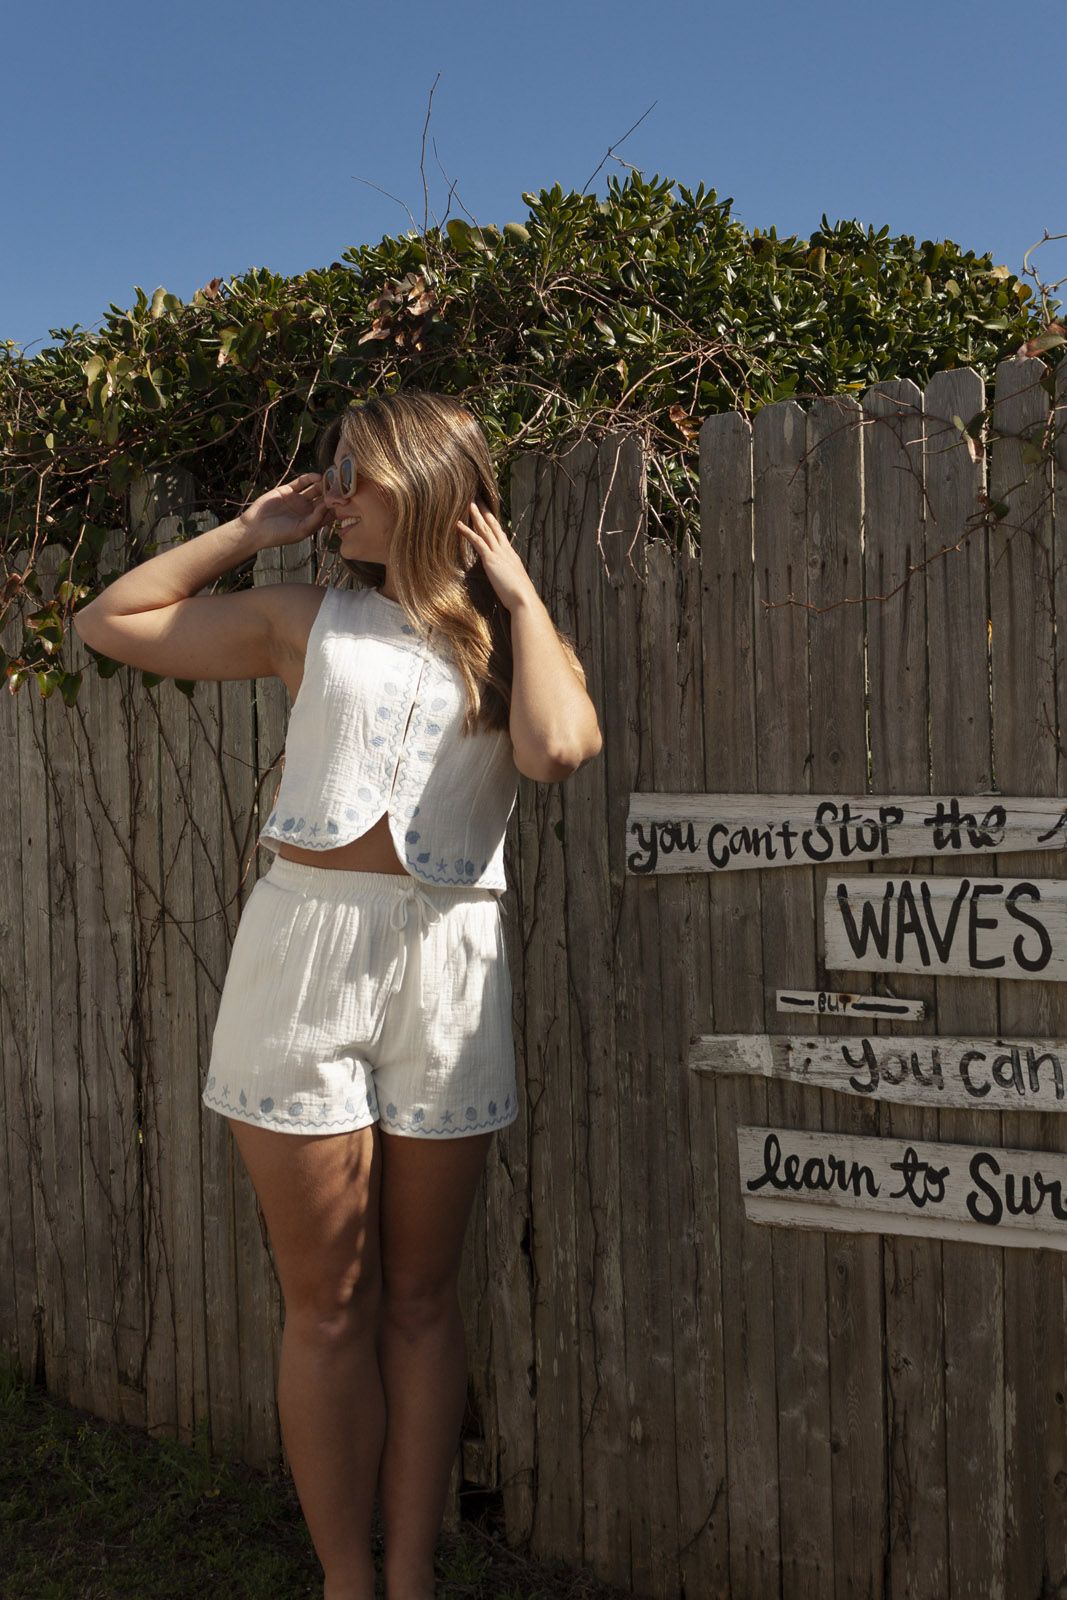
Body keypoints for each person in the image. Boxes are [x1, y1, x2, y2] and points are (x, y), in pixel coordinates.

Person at [72, 390, 603, 1600]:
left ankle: (408, 1573)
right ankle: (343, 1581)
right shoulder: (305, 616)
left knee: (418, 1299)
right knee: (326, 1305)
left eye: (357, 476)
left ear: (427, 484)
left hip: (448, 967)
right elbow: (113, 622)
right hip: (302, 955)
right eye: (332, 474)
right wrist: (249, 532)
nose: (336, 495)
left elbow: (555, 750)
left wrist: (519, 596)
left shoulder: (516, 641)